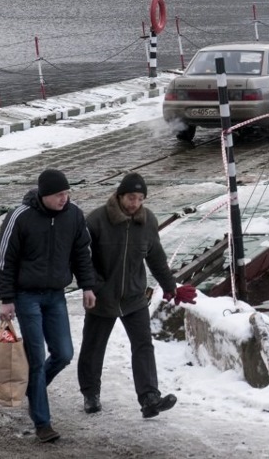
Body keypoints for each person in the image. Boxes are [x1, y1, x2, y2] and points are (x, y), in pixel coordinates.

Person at [78, 173, 196, 419]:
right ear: (120, 195)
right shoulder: (97, 220)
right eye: (132, 197)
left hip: (134, 297)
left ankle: (149, 398)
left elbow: (156, 257)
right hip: (103, 297)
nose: (135, 203)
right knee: (93, 346)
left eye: (140, 199)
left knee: (143, 345)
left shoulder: (147, 221)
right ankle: (90, 394)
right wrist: (94, 286)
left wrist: (170, 285)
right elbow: (82, 260)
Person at [0, 168, 97, 444]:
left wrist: (88, 286)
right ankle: (43, 422)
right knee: (37, 359)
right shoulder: (20, 216)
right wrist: (7, 299)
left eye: (67, 193)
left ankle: (32, 390)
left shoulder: (73, 214)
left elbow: (81, 253)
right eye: (58, 195)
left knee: (64, 353)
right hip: (26, 296)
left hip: (56, 295)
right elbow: (5, 259)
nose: (64, 199)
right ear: (44, 195)